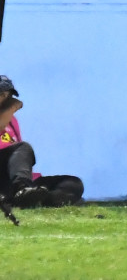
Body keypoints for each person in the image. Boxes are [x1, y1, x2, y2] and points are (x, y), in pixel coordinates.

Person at [0, 75, 84, 208]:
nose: (7, 99)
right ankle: (21, 191)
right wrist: (11, 109)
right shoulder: (6, 117)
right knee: (23, 147)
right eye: (2, 95)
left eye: (8, 95)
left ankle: (36, 199)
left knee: (73, 183)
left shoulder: (11, 121)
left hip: (13, 180)